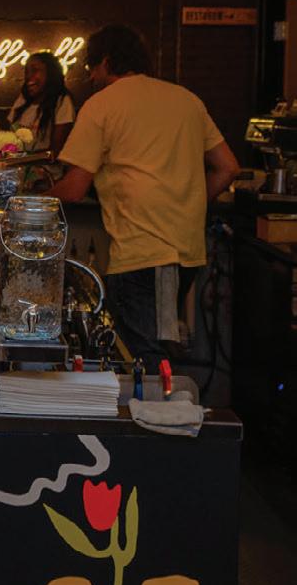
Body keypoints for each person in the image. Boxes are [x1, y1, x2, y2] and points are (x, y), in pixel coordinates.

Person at [47, 26, 239, 363]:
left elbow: (75, 189)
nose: (91, 77)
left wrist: (30, 199)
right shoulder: (186, 99)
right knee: (160, 348)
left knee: (141, 357)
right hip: (186, 252)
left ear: (107, 61)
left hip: (141, 250)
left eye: (92, 67)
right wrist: (190, 203)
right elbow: (227, 168)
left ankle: (160, 397)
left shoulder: (102, 105)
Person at [8, 50, 75, 158]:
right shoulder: (23, 100)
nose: (29, 76)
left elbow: (57, 150)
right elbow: (10, 138)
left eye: (35, 70)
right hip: (18, 164)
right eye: (26, 72)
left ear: (51, 73)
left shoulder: (62, 101)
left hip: (45, 166)